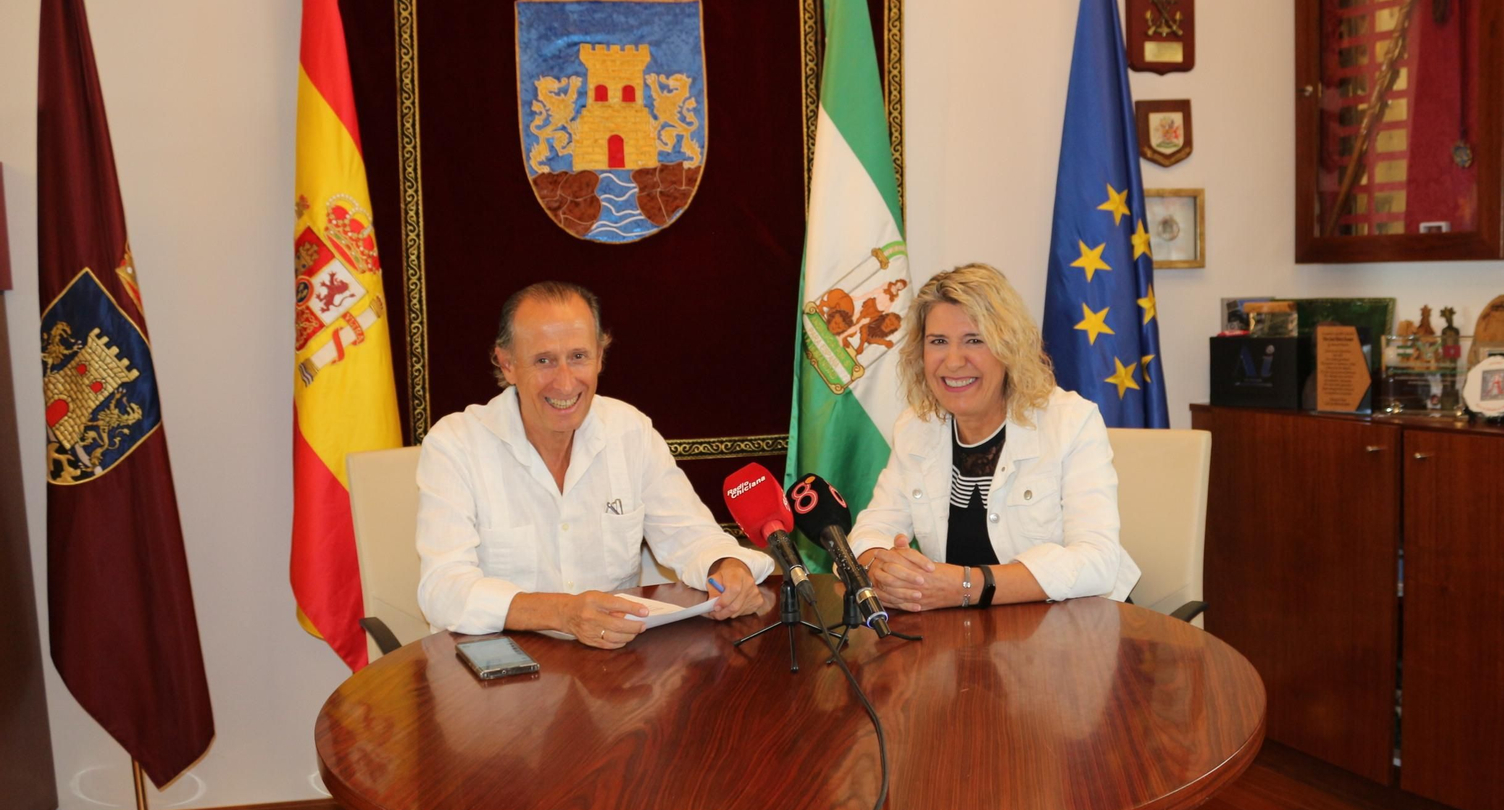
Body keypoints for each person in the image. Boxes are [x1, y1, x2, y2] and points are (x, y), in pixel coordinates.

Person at [416, 282, 773, 648]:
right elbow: (443, 590)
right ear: (507, 364)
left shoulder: (629, 431)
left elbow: (692, 536)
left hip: (615, 673)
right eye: (544, 360)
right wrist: (562, 613)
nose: (565, 381)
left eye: (578, 357)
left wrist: (727, 567)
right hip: (499, 679)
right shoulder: (455, 445)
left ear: (600, 357)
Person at [848, 263, 1139, 610]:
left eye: (975, 340)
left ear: (1008, 348)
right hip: (968, 637)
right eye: (938, 341)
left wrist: (966, 586)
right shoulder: (916, 428)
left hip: (1077, 631)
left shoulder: (1070, 421)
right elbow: (869, 532)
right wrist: (884, 570)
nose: (953, 362)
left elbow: (1098, 561)